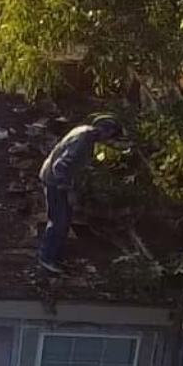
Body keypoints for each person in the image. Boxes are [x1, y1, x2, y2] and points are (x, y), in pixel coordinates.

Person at [38, 113, 123, 273]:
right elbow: (60, 167)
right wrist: (67, 189)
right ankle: (47, 258)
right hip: (55, 182)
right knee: (59, 221)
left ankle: (55, 255)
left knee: (63, 220)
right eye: (110, 136)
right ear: (104, 131)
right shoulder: (83, 141)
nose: (108, 141)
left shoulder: (84, 133)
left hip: (53, 178)